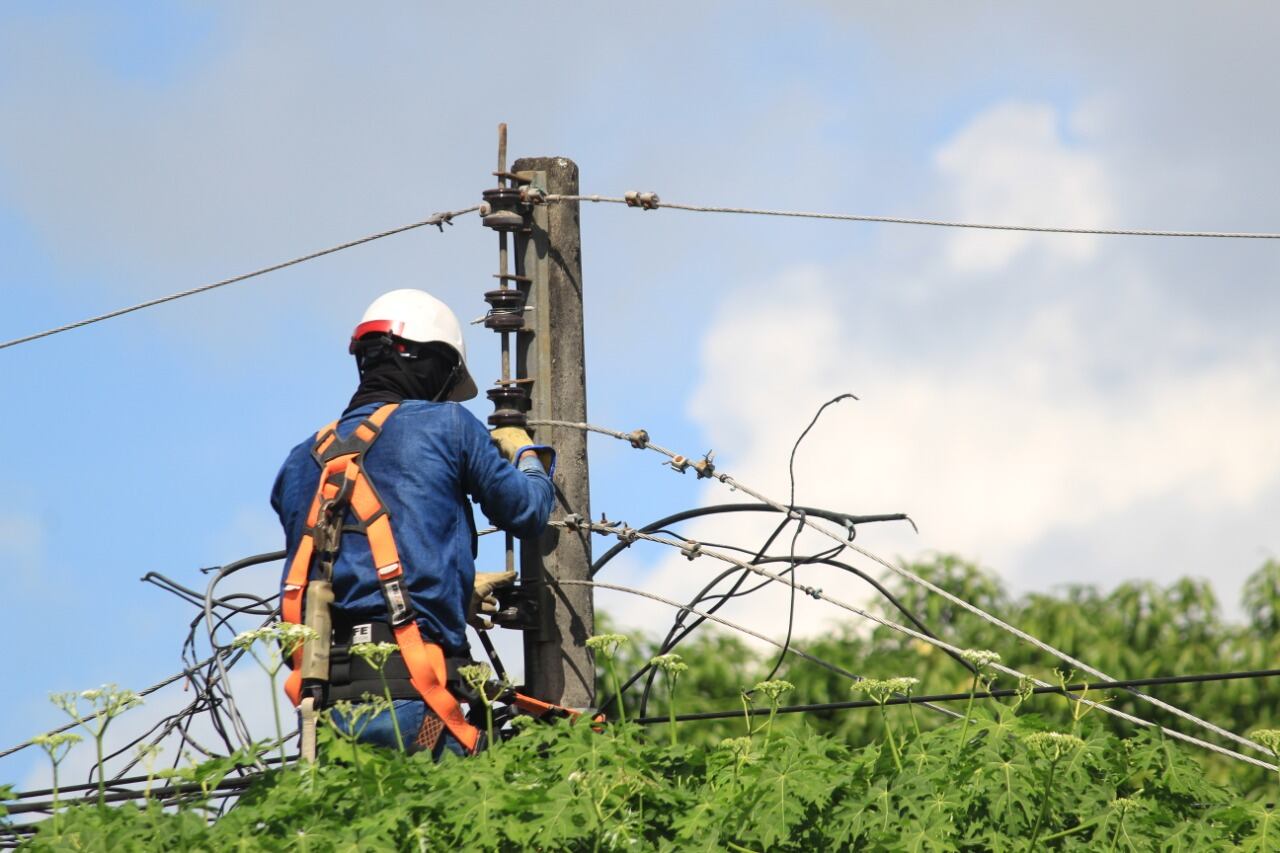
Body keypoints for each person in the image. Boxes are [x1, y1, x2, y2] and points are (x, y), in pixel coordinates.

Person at [271, 289, 554, 758]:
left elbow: (346, 559)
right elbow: (526, 511)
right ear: (435, 364)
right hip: (415, 700)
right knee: (506, 796)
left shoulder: (300, 462)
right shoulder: (449, 425)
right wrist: (525, 452)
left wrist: (452, 587)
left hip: (323, 715)